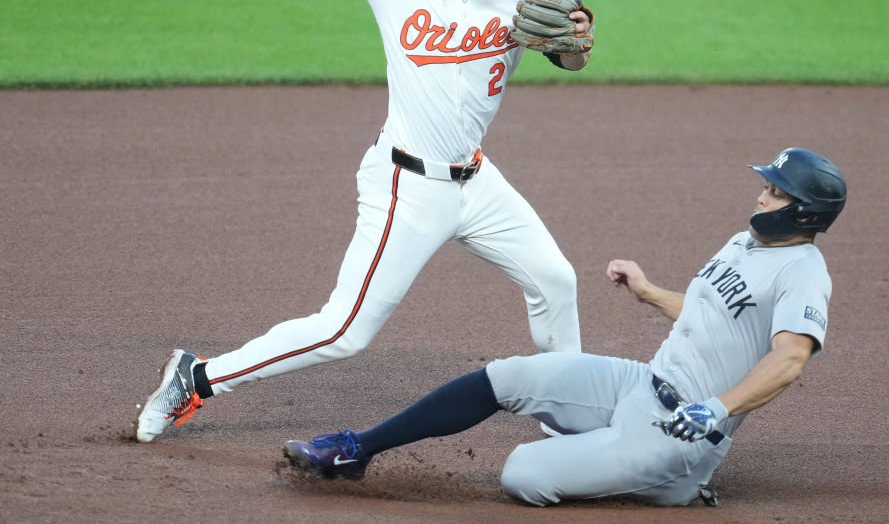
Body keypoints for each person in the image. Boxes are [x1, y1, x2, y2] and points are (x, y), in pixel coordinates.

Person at [135, 0, 595, 442]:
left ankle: (571, 422)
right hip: (407, 185)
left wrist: (578, 40)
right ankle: (198, 378)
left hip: (478, 182)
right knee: (343, 332)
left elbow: (570, 60)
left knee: (555, 279)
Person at [281, 147, 847, 507]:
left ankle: (669, 481)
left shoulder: (802, 273)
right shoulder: (744, 242)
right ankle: (358, 449)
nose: (761, 193)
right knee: (507, 377)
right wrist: (651, 294)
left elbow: (790, 359)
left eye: (775, 190)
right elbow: (716, 319)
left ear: (803, 211)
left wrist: (717, 408)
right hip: (640, 383)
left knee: (522, 472)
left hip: (682, 431)